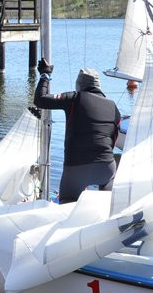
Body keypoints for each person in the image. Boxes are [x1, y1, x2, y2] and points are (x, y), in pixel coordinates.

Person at [33, 60, 120, 203]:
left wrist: (45, 75)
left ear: (79, 84)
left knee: (67, 205)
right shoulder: (113, 107)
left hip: (77, 167)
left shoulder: (74, 98)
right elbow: (113, 141)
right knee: (106, 206)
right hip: (106, 168)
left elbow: (41, 100)